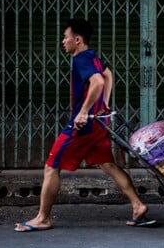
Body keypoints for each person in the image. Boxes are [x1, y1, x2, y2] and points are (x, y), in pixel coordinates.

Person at [15, 18, 155, 232]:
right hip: (99, 123)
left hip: (84, 126)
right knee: (108, 164)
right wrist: (104, 103)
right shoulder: (93, 57)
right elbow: (107, 74)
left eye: (66, 37)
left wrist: (83, 112)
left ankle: (43, 218)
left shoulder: (81, 59)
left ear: (77, 40)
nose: (63, 41)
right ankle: (138, 206)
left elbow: (98, 81)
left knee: (51, 167)